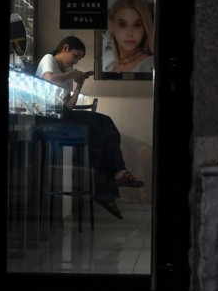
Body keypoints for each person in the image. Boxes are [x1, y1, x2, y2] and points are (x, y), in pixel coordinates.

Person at [35, 36, 144, 219]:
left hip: (61, 114)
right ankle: (108, 186)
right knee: (99, 127)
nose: (76, 61)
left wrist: (78, 86)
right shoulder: (49, 60)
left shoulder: (67, 72)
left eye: (78, 59)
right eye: (75, 56)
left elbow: (68, 106)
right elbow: (50, 80)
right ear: (65, 47)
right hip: (47, 118)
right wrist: (72, 74)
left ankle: (116, 176)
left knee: (104, 125)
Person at [105, 0, 154, 73]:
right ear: (111, 25)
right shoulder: (110, 66)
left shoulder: (150, 64)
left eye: (137, 25)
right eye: (122, 25)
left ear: (144, 28)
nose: (130, 33)